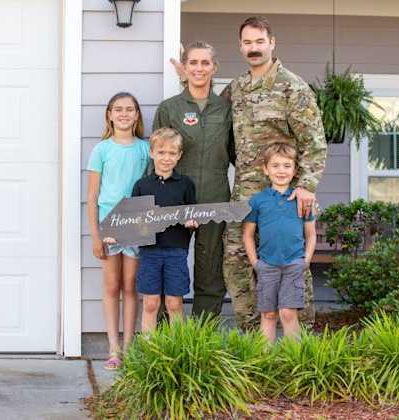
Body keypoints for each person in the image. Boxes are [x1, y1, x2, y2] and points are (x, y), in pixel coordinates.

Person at [221, 16, 327, 330]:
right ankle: (256, 339)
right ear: (240, 46)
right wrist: (189, 79)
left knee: (294, 264)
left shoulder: (293, 88)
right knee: (236, 258)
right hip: (246, 194)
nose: (254, 48)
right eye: (248, 42)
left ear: (272, 43)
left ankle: (301, 341)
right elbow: (215, 121)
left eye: (259, 41)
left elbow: (315, 142)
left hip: (287, 194)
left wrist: (306, 185)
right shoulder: (236, 88)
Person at [153, 41, 234, 318]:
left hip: (214, 196)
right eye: (193, 63)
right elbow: (156, 155)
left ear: (214, 67)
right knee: (168, 265)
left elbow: (239, 153)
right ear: (185, 68)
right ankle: (164, 338)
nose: (199, 68)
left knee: (210, 269)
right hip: (173, 198)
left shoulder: (226, 109)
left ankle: (203, 337)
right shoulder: (169, 108)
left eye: (205, 63)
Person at [86, 92, 150, 370]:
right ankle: (113, 348)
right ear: (109, 115)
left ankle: (129, 346)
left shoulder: (145, 149)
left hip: (136, 219)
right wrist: (95, 235)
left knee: (130, 285)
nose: (124, 114)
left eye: (129, 109)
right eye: (118, 109)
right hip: (109, 222)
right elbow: (92, 196)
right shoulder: (101, 150)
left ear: (137, 115)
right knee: (112, 285)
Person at [243, 143, 316, 343]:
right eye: (275, 166)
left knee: (288, 313)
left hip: (293, 264)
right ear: (265, 169)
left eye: (286, 166)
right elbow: (248, 235)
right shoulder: (258, 201)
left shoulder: (302, 201)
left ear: (294, 170)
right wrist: (255, 263)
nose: (281, 171)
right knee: (268, 315)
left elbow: (311, 234)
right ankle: (266, 360)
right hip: (267, 265)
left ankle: (294, 358)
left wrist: (306, 260)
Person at [131, 128, 198, 334]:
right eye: (161, 152)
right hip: (150, 252)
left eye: (171, 153)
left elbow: (192, 212)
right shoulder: (142, 185)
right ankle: (149, 351)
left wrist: (191, 222)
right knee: (151, 303)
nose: (166, 158)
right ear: (151, 153)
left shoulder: (185, 184)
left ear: (179, 156)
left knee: (174, 304)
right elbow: (133, 220)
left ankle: (177, 348)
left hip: (176, 251)